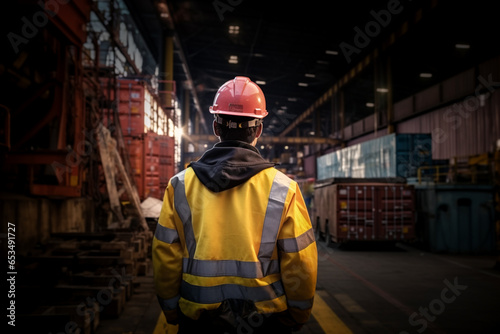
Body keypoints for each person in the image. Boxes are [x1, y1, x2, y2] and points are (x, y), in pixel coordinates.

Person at [152, 76, 318, 333]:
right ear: (259, 130)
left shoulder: (180, 186)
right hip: (266, 322)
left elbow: (165, 256)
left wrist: (171, 308)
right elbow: (300, 261)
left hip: (199, 321)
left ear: (216, 127)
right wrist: (298, 313)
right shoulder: (284, 188)